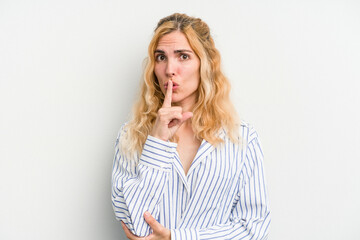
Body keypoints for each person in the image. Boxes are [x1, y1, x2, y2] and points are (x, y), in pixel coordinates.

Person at [111, 13, 271, 239]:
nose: (169, 70)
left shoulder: (241, 138)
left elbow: (254, 227)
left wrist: (176, 238)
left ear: (204, 64)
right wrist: (156, 142)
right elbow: (134, 224)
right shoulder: (131, 136)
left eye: (183, 56)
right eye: (161, 57)